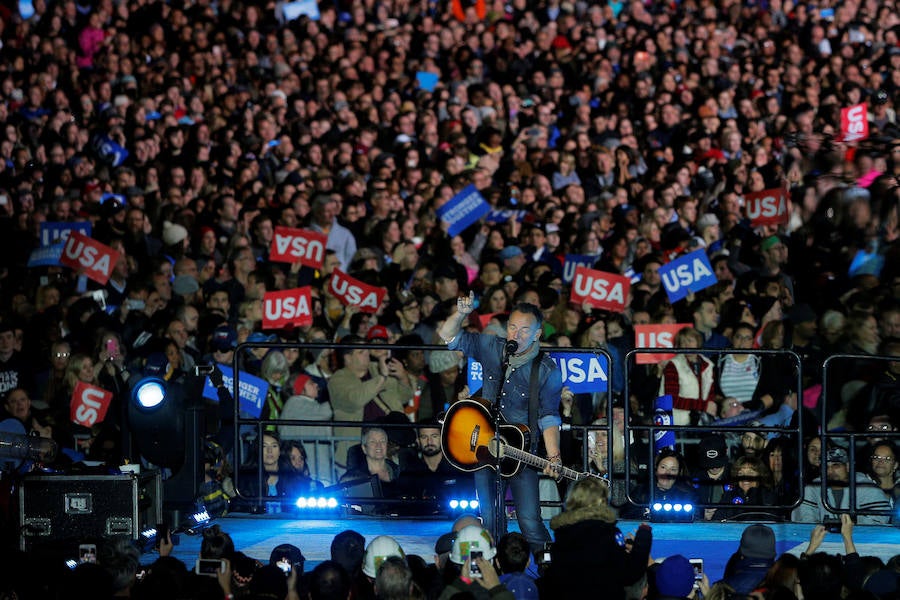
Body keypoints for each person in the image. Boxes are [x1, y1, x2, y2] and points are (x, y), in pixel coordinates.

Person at [438, 296, 562, 553]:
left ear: (538, 333)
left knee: (529, 519)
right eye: (513, 327)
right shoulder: (492, 346)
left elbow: (549, 416)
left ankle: (546, 565)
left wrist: (554, 456)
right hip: (484, 447)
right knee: (491, 519)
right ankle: (497, 566)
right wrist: (461, 314)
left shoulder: (548, 370)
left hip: (521, 452)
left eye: (525, 329)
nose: (517, 333)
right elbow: (448, 337)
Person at [540, 477, 652, 598]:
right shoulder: (608, 533)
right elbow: (629, 574)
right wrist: (643, 539)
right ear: (602, 501)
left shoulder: (562, 534)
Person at [792, 446, 892, 525]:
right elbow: (804, 521)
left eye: (836, 466)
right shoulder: (813, 488)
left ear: (848, 466)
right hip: (821, 543)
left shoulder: (866, 487)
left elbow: (879, 520)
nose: (830, 471)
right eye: (825, 467)